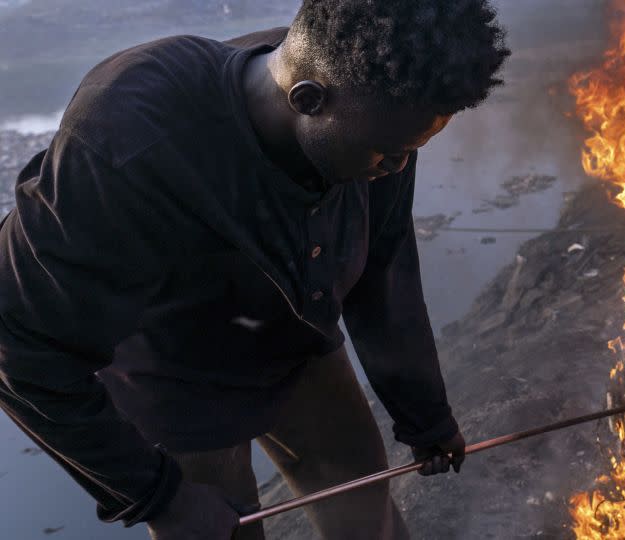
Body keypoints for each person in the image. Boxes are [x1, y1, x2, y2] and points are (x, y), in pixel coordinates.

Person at [0, 1, 509, 538]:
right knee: (223, 528)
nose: (399, 167)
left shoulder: (380, 95)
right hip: (176, 376)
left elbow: (385, 269)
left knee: (368, 514)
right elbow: (20, 345)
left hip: (294, 332)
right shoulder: (129, 134)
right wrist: (157, 496)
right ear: (307, 100)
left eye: (412, 150)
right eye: (388, 153)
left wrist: (424, 413)